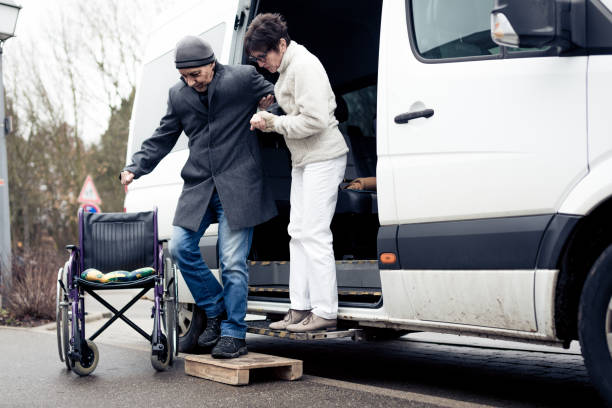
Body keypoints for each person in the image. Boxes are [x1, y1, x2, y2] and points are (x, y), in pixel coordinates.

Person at [120, 36, 277, 358]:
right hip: (199, 186)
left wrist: (268, 107)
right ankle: (216, 309)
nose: (191, 83)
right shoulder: (179, 95)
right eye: (185, 77)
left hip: (238, 184)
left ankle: (234, 333)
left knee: (233, 261)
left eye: (196, 75)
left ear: (211, 64)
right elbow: (164, 135)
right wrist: (135, 167)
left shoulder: (242, 78)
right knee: (180, 247)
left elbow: (278, 98)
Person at [246, 14, 348, 332]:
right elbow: (296, 112)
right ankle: (299, 308)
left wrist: (273, 122)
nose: (262, 64)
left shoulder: (304, 65)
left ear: (281, 44)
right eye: (257, 60)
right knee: (297, 233)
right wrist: (272, 111)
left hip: (324, 157)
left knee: (315, 234)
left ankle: (325, 311)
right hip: (304, 161)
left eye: (264, 56)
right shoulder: (287, 69)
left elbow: (315, 120)